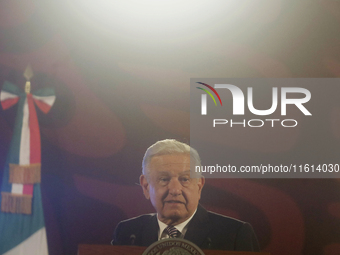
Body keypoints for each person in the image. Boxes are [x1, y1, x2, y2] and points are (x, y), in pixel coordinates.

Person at [112, 139, 260, 251]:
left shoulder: (234, 234)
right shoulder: (127, 232)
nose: (175, 190)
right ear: (145, 186)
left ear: (199, 185)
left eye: (185, 179)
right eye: (164, 179)